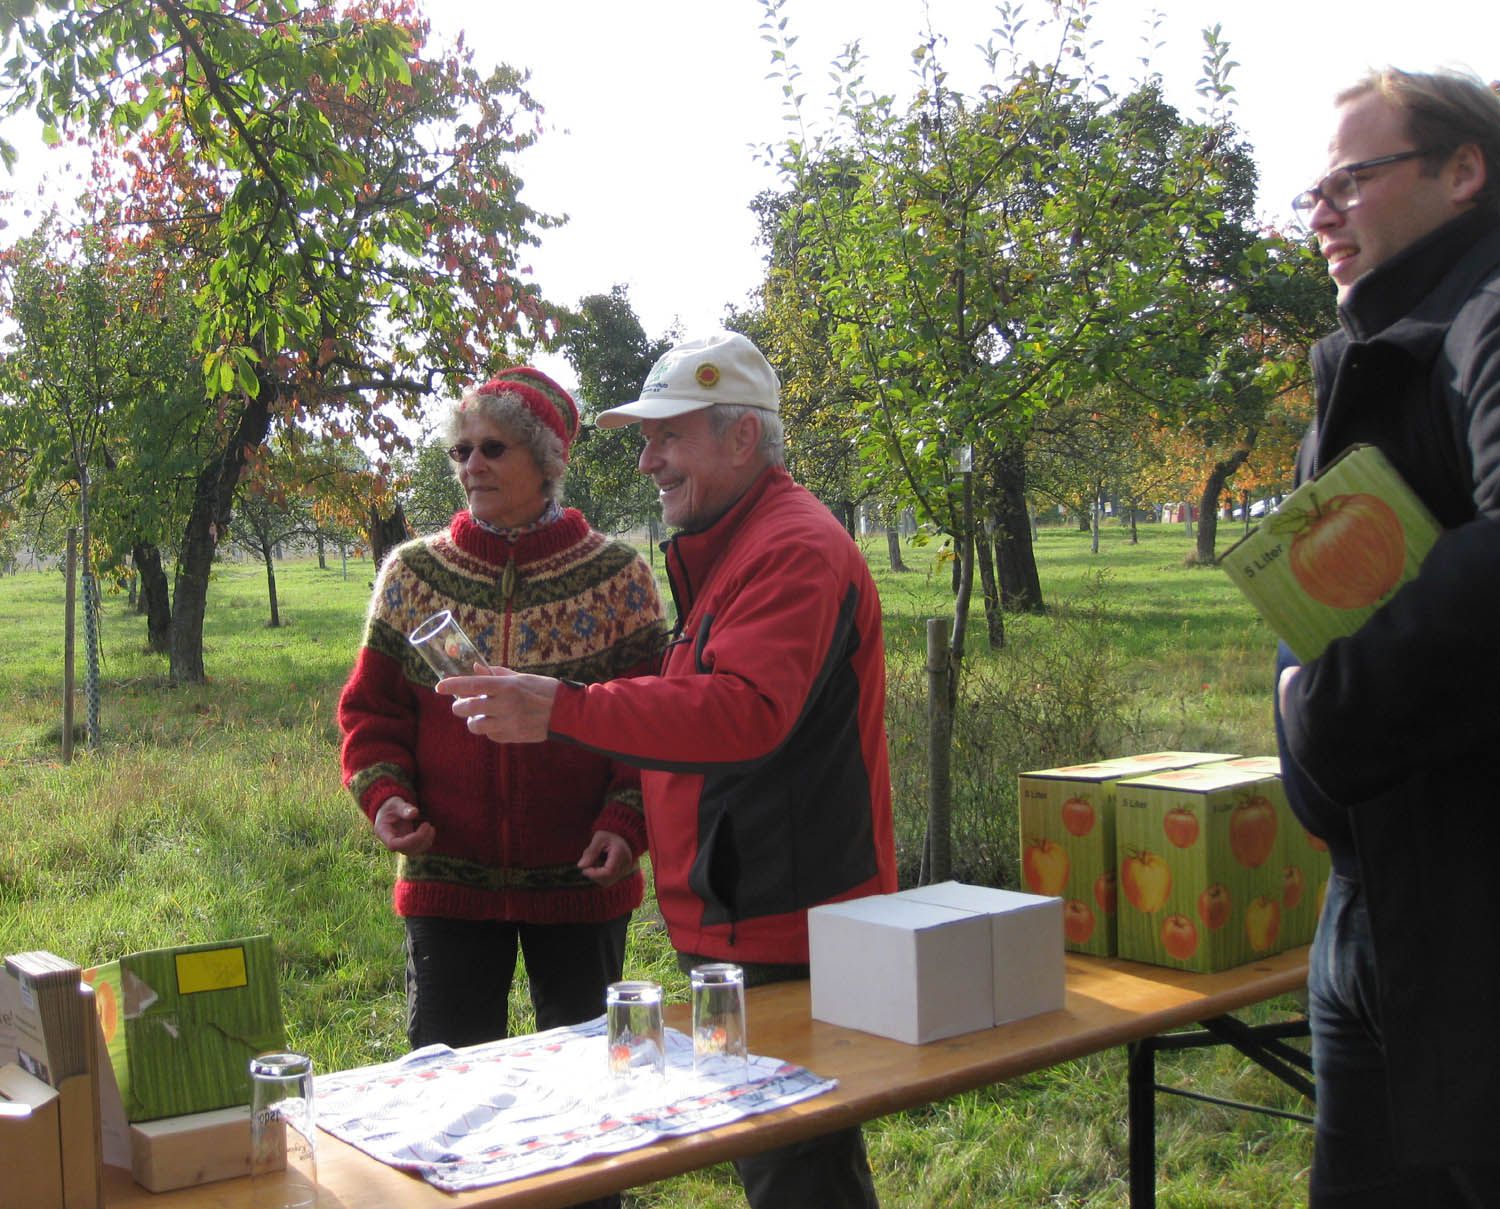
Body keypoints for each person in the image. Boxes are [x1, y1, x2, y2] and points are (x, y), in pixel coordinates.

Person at [439, 331, 898, 1208]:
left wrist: (563, 708)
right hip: (746, 914)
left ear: (741, 438)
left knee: (798, 1169)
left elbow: (744, 712)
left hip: (785, 923)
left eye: (668, 436)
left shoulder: (790, 547)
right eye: (646, 439)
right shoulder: (738, 542)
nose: (648, 460)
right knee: (780, 1156)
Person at [1276, 68, 1500, 1208]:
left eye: (1349, 182)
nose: (1319, 214)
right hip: (1365, 899)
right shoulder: (1367, 347)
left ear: (1463, 172)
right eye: (1311, 192)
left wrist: (1319, 709)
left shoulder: (1489, 313)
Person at [337, 366, 667, 1055]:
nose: (472, 465)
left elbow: (647, 722)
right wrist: (386, 797)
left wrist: (626, 820)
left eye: (493, 448)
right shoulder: (413, 575)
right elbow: (373, 713)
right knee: (447, 1084)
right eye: (462, 450)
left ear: (547, 460)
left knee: (585, 1089)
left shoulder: (619, 579)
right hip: (446, 883)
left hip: (582, 880)